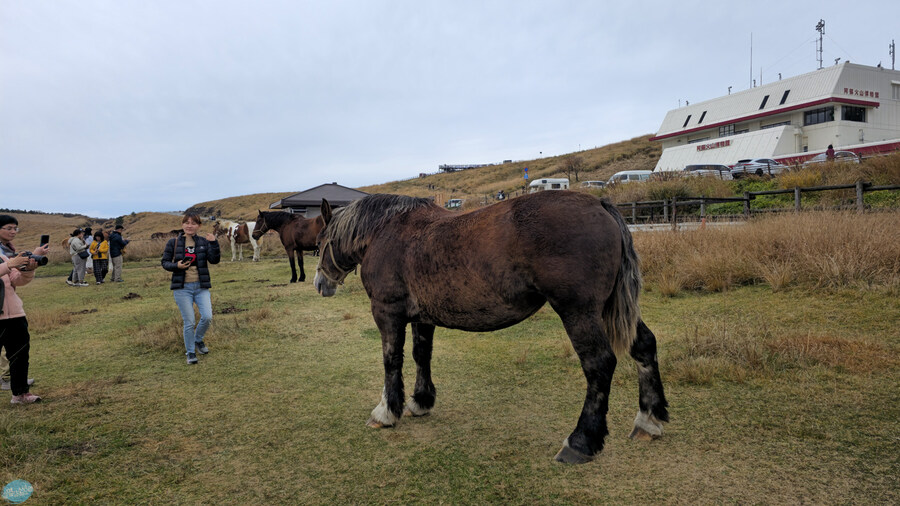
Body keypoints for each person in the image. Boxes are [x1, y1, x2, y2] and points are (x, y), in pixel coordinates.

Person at [0, 215, 48, 404]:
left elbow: (15, 281)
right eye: (9, 228)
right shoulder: (6, 258)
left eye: (15, 229)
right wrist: (9, 264)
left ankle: (20, 394)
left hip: (14, 313)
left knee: (19, 355)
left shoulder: (4, 254)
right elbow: (7, 268)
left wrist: (28, 269)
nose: (13, 232)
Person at [161, 213, 221, 365]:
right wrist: (177, 266)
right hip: (182, 288)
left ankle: (198, 340)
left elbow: (214, 260)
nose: (189, 225)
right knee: (189, 322)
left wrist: (214, 243)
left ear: (198, 226)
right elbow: (165, 262)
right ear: (182, 225)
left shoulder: (203, 241)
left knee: (207, 317)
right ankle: (191, 352)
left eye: (193, 223)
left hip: (201, 287)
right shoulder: (172, 242)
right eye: (186, 222)